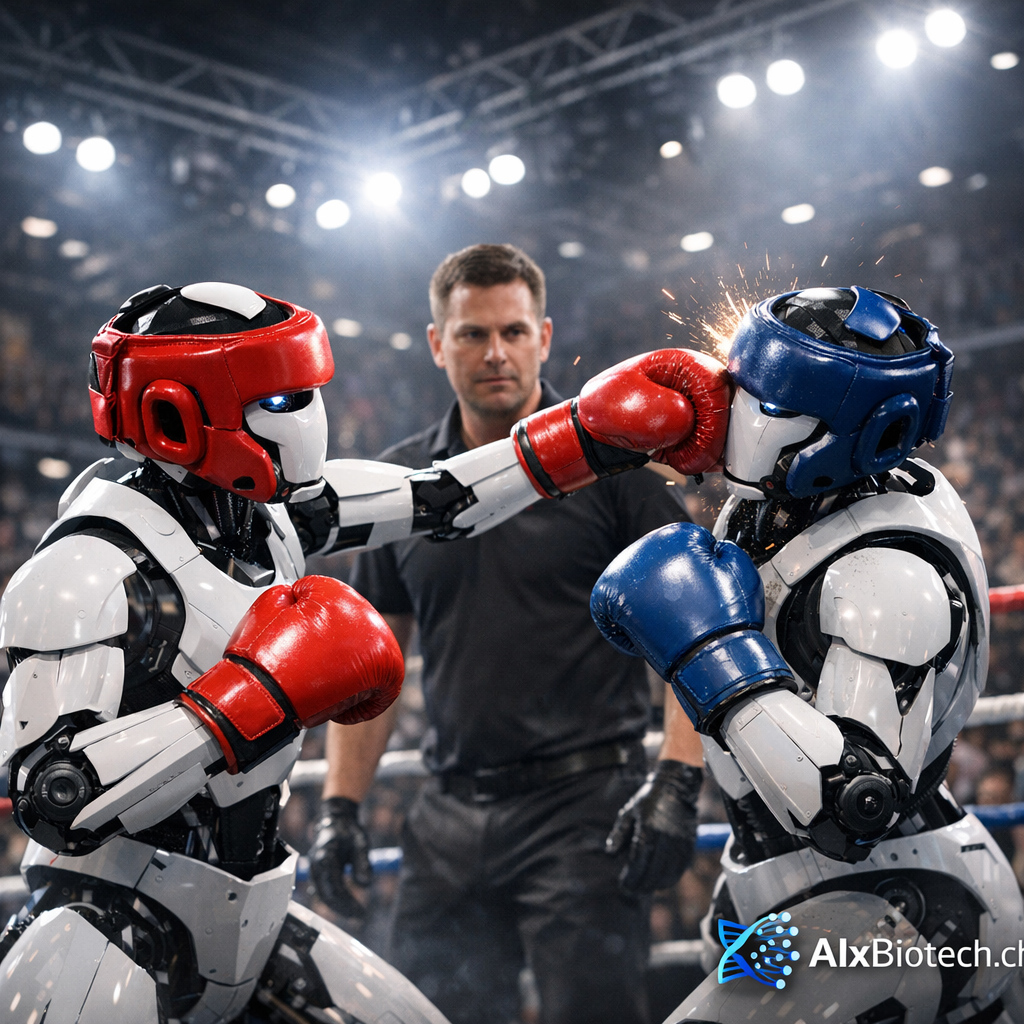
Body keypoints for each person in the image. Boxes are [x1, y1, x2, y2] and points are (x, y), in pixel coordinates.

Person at [0, 279, 728, 1023]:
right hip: (107, 924)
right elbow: (52, 794)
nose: (311, 416)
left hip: (246, 907)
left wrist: (586, 433)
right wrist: (253, 696)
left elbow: (441, 497)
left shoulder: (266, 519)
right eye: (280, 400)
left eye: (307, 390)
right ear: (178, 415)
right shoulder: (85, 571)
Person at [590, 286, 1024, 1023]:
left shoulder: (885, 575)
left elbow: (854, 805)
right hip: (790, 887)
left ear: (832, 430)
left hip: (897, 906)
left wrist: (711, 656)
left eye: (759, 395)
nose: (728, 406)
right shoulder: (781, 504)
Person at [310, 244, 718, 1024]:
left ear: (543, 334)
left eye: (512, 331)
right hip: (448, 811)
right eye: (471, 334)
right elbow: (372, 666)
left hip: (585, 808)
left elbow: (692, 627)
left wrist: (677, 775)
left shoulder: (614, 466)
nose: (494, 352)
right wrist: (339, 807)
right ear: (437, 343)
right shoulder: (403, 488)